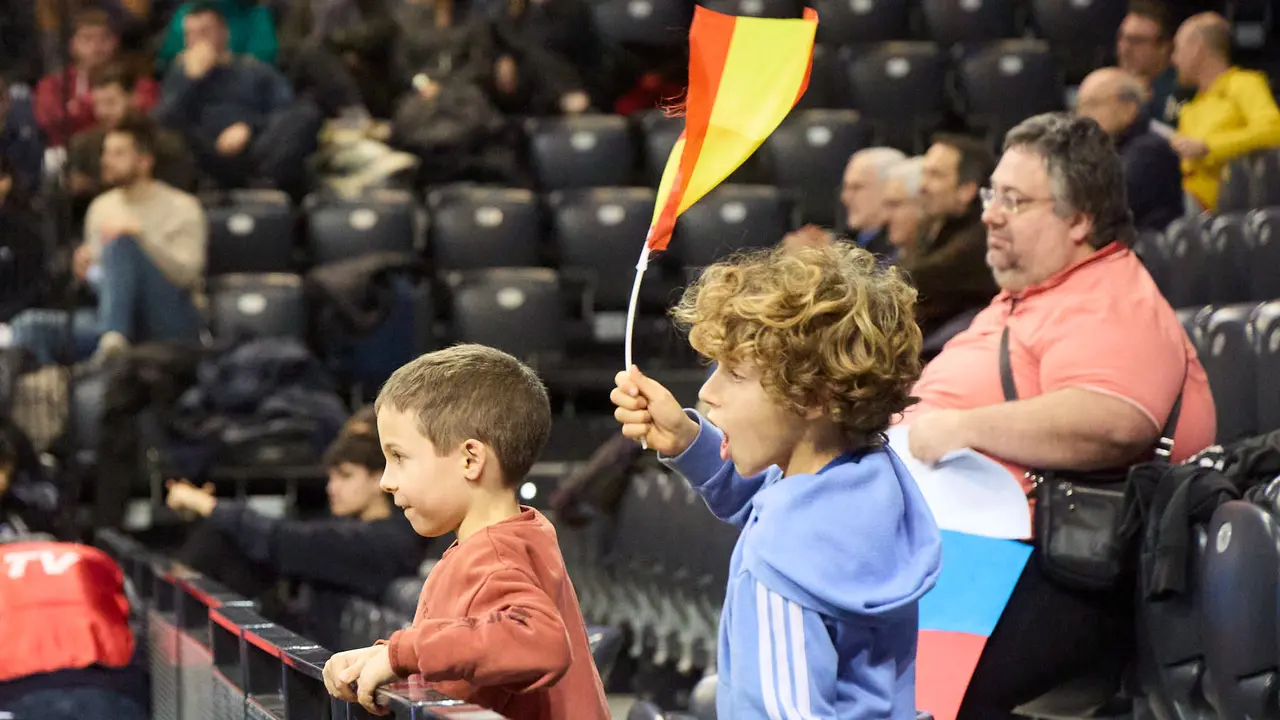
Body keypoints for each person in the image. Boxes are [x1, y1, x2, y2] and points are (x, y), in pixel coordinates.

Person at [901, 113, 1216, 719]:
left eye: (1014, 201)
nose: (990, 215)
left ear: (1079, 219)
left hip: (1057, 564)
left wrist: (962, 427)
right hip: (974, 549)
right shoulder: (1029, 297)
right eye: (992, 195)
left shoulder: (1108, 297)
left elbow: (1114, 419)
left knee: (911, 697)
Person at [611, 244, 943, 719]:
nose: (708, 392)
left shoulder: (780, 560)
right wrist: (689, 441)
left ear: (813, 396)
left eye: (735, 373)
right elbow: (780, 501)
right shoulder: (871, 480)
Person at [321, 345, 610, 718]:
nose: (387, 481)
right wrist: (386, 659)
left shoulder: (494, 555)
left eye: (399, 457)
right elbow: (469, 662)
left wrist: (403, 653)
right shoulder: (516, 535)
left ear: (470, 460)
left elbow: (540, 640)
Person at [166, 429, 426, 651]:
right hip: (318, 651)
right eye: (331, 477)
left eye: (345, 476)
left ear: (378, 478)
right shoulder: (346, 526)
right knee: (222, 540)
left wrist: (206, 504)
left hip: (332, 665)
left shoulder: (385, 540)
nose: (332, 488)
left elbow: (287, 541)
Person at [9, 116, 205, 365]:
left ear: (144, 161)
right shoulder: (101, 207)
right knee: (29, 326)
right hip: (111, 318)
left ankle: (113, 342)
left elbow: (187, 275)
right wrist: (86, 271)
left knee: (121, 243)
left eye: (118, 153)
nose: (106, 160)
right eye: (105, 152)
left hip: (170, 318)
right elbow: (107, 282)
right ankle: (61, 384)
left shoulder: (184, 207)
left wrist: (140, 238)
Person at [153, 1, 322, 196]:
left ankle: (261, 185)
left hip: (258, 147)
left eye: (205, 32)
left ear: (223, 33)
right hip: (206, 153)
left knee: (306, 114)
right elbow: (163, 119)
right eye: (190, 34)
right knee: (170, 136)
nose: (198, 40)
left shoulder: (254, 70)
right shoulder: (179, 76)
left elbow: (287, 109)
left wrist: (249, 127)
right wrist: (189, 80)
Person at [1170, 11, 1280, 212]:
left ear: (1197, 48)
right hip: (1183, 198)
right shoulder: (1191, 106)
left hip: (1221, 203)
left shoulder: (1244, 84)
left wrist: (1208, 147)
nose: (1174, 59)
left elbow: (1274, 131)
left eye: (1178, 49)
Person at [907, 134, 1000, 341]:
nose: (922, 185)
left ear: (966, 190)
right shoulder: (935, 231)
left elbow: (917, 280)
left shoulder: (979, 246)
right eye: (924, 173)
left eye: (935, 175)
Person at [1076, 67, 1183, 232]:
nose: (1083, 116)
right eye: (1080, 107)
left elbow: (1106, 206)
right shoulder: (1102, 151)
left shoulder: (1150, 151)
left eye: (1093, 104)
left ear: (1128, 108)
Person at [1117, 0, 1192, 127]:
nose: (1125, 49)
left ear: (1164, 47)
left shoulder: (1182, 88)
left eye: (1137, 41)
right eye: (1122, 37)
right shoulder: (1109, 87)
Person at [840, 146, 907, 256]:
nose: (845, 197)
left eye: (857, 187)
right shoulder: (845, 242)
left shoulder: (900, 253)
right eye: (846, 187)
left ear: (889, 188)